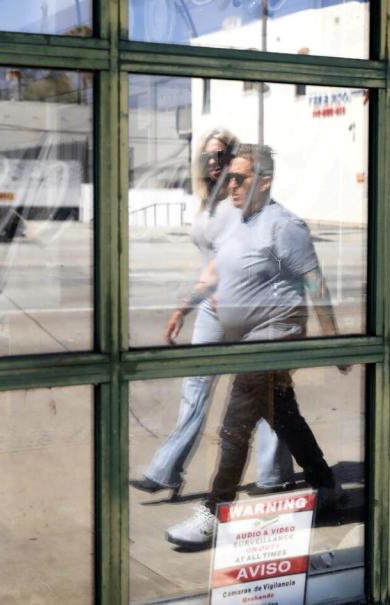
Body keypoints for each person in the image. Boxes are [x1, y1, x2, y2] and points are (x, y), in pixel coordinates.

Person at [165, 143, 345, 549]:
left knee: (234, 427)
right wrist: (183, 308)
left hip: (273, 339)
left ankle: (214, 513)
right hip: (246, 340)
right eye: (229, 177)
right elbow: (213, 271)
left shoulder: (284, 225)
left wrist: (333, 339)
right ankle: (327, 487)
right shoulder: (234, 221)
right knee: (284, 415)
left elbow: (314, 282)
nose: (231, 185)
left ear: (264, 182)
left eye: (240, 178)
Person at [130, 130, 294, 498]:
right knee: (195, 387)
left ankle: (274, 474)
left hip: (249, 309)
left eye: (221, 155)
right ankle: (165, 470)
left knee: (263, 393)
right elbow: (208, 265)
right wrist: (182, 308)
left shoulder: (245, 203)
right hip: (211, 306)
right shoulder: (207, 203)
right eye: (208, 156)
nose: (213, 163)